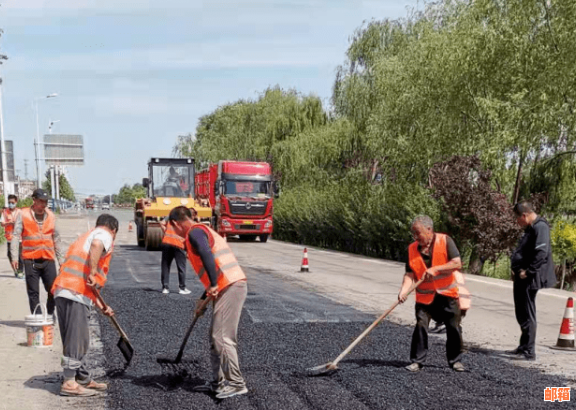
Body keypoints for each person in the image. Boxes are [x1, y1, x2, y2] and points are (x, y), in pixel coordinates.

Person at [168, 206, 248, 399]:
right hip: (224, 285)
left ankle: (236, 383)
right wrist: (203, 298)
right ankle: (217, 382)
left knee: (222, 337)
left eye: (171, 228)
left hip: (230, 285)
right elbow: (212, 266)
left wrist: (213, 284)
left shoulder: (195, 232)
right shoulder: (200, 231)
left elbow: (206, 254)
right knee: (215, 337)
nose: (173, 232)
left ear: (176, 223)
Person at [51, 214, 119, 396]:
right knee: (77, 339)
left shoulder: (83, 238)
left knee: (72, 336)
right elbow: (97, 245)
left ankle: (82, 378)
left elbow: (85, 279)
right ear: (113, 230)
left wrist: (101, 306)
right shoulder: (103, 234)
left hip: (64, 289)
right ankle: (69, 384)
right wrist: (95, 270)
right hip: (75, 293)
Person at [398, 215, 465, 372]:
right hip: (425, 297)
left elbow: (457, 263)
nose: (415, 237)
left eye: (418, 233)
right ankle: (417, 361)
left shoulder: (445, 241)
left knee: (453, 327)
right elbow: (409, 274)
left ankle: (455, 360)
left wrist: (436, 269)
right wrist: (404, 290)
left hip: (447, 294)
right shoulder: (411, 249)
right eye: (413, 234)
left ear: (429, 230)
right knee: (421, 325)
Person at [507, 200, 556, 361]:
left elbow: (541, 253)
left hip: (530, 278)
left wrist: (528, 271)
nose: (517, 222)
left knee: (527, 313)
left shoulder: (540, 227)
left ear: (524, 215)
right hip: (522, 277)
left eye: (517, 218)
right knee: (521, 311)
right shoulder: (530, 227)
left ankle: (529, 351)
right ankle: (523, 346)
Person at [11, 189, 62, 316]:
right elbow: (16, 236)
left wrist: (62, 261)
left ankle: (50, 314)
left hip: (48, 259)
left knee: (53, 290)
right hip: (30, 260)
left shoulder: (51, 215)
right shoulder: (23, 214)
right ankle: (38, 318)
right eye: (40, 202)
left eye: (45, 202)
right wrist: (14, 257)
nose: (43, 205)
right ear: (34, 200)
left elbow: (56, 238)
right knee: (33, 292)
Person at [159, 217, 190, 295]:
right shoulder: (186, 219)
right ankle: (182, 288)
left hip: (167, 242)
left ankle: (165, 288)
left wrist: (165, 232)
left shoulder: (171, 216)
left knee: (165, 266)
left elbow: (161, 223)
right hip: (178, 244)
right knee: (181, 267)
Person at [2, 194, 24, 278]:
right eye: (9, 202)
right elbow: (2, 223)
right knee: (10, 255)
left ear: (16, 202)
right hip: (9, 238)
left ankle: (20, 271)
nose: (11, 204)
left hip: (19, 238)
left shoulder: (20, 212)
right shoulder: (5, 212)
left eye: (12, 202)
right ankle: (15, 270)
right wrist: (9, 223)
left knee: (20, 256)